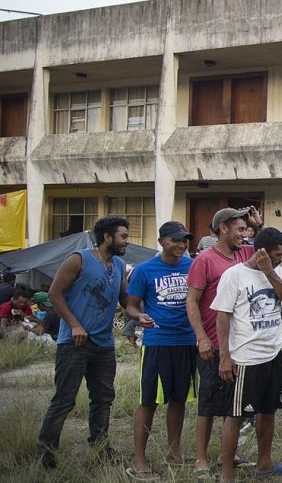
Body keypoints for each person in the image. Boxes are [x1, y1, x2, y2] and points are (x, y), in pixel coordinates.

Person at [36, 216, 152, 469]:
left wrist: (138, 315)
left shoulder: (119, 265)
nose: (127, 241)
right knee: (64, 400)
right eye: (123, 236)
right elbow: (55, 294)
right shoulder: (78, 259)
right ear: (107, 237)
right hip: (74, 343)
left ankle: (100, 448)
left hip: (103, 345)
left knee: (103, 399)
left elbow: (126, 302)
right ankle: (45, 455)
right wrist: (75, 324)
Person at [211, 227, 282, 482]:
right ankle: (227, 474)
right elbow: (222, 317)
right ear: (261, 252)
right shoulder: (234, 275)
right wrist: (225, 357)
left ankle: (265, 464)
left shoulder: (277, 271)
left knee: (268, 410)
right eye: (277, 254)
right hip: (245, 358)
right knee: (235, 415)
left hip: (272, 354)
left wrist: (270, 271)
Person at [185, 206, 264, 478]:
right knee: (208, 404)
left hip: (240, 345)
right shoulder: (205, 260)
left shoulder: (244, 253)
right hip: (213, 345)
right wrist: (201, 338)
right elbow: (192, 303)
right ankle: (201, 459)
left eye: (246, 229)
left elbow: (267, 254)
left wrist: (260, 226)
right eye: (240, 229)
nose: (245, 234)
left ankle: (226, 455)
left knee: (235, 405)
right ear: (223, 228)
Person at [125, 221, 196, 480]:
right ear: (161, 241)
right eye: (175, 240)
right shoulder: (145, 270)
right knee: (149, 401)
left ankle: (174, 451)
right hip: (157, 342)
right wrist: (139, 315)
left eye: (185, 240)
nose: (181, 245)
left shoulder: (193, 266)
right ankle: (139, 458)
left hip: (187, 342)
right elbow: (130, 305)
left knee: (179, 399)